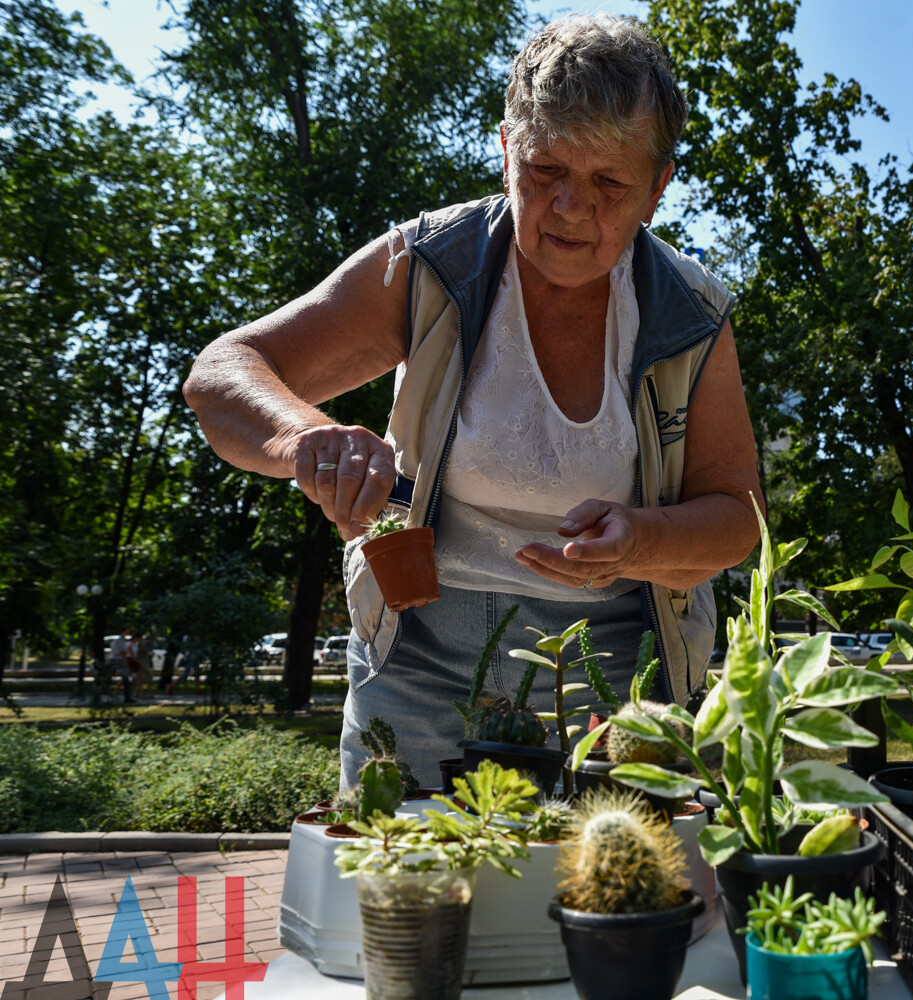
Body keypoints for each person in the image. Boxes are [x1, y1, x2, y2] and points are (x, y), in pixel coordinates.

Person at [183, 14, 761, 789]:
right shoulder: (429, 266)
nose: (569, 209)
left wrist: (643, 540)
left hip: (619, 671)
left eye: (610, 184)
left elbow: (737, 518)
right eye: (546, 168)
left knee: (601, 900)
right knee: (402, 900)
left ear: (657, 187)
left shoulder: (690, 315)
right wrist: (307, 438)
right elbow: (223, 372)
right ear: (504, 151)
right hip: (417, 657)